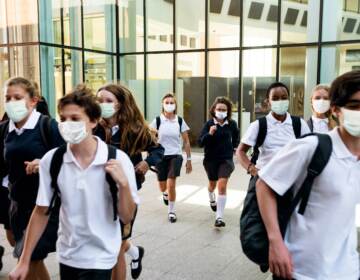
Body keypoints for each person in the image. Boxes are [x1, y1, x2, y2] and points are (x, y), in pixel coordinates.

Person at [9, 85, 138, 280]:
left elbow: (126, 216)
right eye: (63, 119)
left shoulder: (117, 160)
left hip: (101, 256)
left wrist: (124, 185)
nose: (68, 124)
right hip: (68, 254)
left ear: (94, 121)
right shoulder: (52, 160)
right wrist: (24, 260)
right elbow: (41, 211)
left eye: (75, 119)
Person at [256, 70, 360, 279]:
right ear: (336, 110)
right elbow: (264, 184)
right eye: (355, 106)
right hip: (301, 270)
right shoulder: (311, 147)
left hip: (347, 270)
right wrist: (275, 242)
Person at [95, 84, 164, 280]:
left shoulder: (135, 128)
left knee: (116, 248)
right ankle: (134, 252)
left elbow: (158, 150)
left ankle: (128, 253)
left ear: (121, 104)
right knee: (107, 240)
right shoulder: (93, 126)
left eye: (108, 101)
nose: (103, 105)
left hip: (124, 193)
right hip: (97, 192)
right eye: (99, 100)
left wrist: (146, 162)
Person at [2, 77, 64, 279]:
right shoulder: (4, 130)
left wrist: (44, 162)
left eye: (17, 97)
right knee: (28, 261)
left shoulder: (48, 126)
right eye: (7, 97)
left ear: (33, 100)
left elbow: (67, 159)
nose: (11, 102)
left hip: (44, 206)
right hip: (17, 205)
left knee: (28, 259)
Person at [237, 82, 310, 177]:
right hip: (264, 178)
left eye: (284, 98)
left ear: (288, 100)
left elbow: (309, 149)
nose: (280, 101)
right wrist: (252, 169)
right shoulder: (258, 125)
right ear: (268, 102)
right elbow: (240, 151)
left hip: (291, 179)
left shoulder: (299, 124)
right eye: (275, 98)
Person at [149, 93, 192, 223]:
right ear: (162, 105)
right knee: (163, 186)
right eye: (166, 102)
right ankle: (165, 193)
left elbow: (186, 141)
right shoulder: (157, 120)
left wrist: (189, 160)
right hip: (160, 155)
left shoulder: (179, 120)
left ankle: (171, 211)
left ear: (175, 105)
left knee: (171, 183)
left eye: (171, 102)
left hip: (175, 155)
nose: (169, 105)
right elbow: (149, 138)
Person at [198, 97, 239, 227]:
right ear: (214, 110)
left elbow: (236, 137)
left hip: (226, 160)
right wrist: (209, 134)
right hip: (210, 160)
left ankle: (219, 218)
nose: (221, 111)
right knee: (212, 185)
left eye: (224, 109)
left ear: (228, 111)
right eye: (219, 109)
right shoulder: (209, 124)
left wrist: (234, 147)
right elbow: (200, 143)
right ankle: (211, 196)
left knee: (222, 185)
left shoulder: (232, 124)